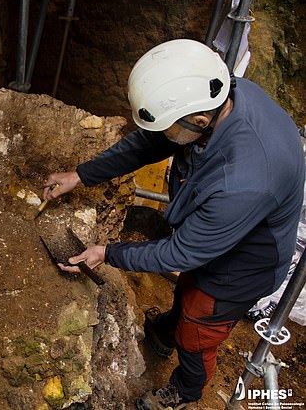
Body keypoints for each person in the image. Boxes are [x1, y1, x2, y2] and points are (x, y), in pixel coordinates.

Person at [43, 39, 305, 410]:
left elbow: (181, 252)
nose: (165, 137)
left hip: (245, 265)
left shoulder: (243, 181)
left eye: (169, 128)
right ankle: (167, 332)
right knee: (188, 291)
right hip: (221, 230)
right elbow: (147, 145)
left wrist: (107, 252)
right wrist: (81, 175)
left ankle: (185, 390)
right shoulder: (218, 95)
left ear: (199, 122)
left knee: (200, 325)